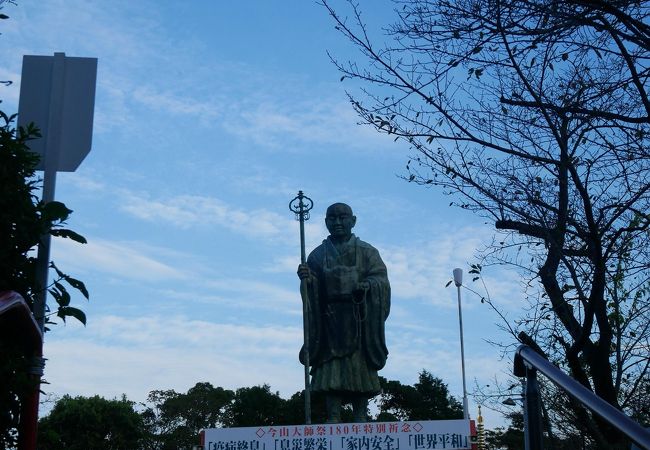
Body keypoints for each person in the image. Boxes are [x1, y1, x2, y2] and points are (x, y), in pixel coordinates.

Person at [297, 203, 390, 423]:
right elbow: (314, 288)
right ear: (326, 222)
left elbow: (381, 280)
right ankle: (334, 414)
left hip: (359, 316)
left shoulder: (368, 252)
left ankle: (360, 414)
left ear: (353, 220)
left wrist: (368, 286)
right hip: (329, 319)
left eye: (342, 218)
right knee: (331, 367)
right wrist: (307, 280)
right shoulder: (317, 255)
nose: (337, 223)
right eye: (332, 218)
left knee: (360, 368)